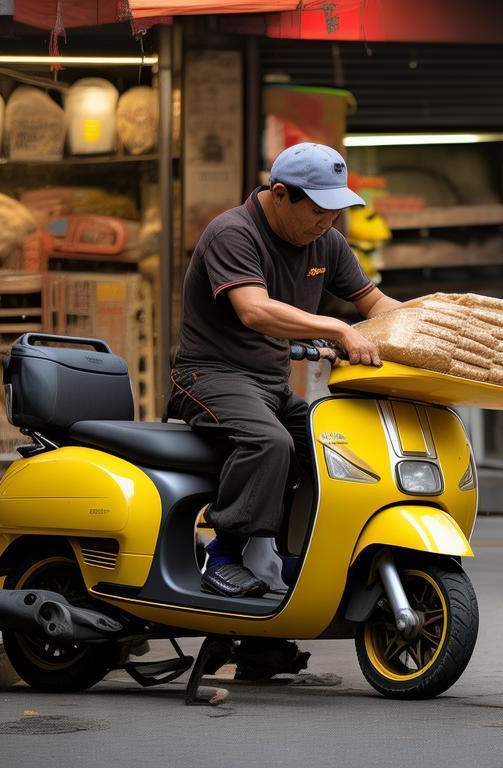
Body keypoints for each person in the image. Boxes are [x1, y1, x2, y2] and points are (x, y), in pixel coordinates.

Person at [167, 142, 400, 598]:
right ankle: (224, 556)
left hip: (269, 385)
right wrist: (338, 330)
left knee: (334, 451)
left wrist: (434, 326)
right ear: (279, 194)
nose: (327, 222)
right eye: (318, 210)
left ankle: (288, 559)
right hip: (208, 378)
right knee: (269, 442)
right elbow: (254, 311)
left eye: (335, 212)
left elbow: (376, 304)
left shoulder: (326, 242)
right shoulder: (232, 233)